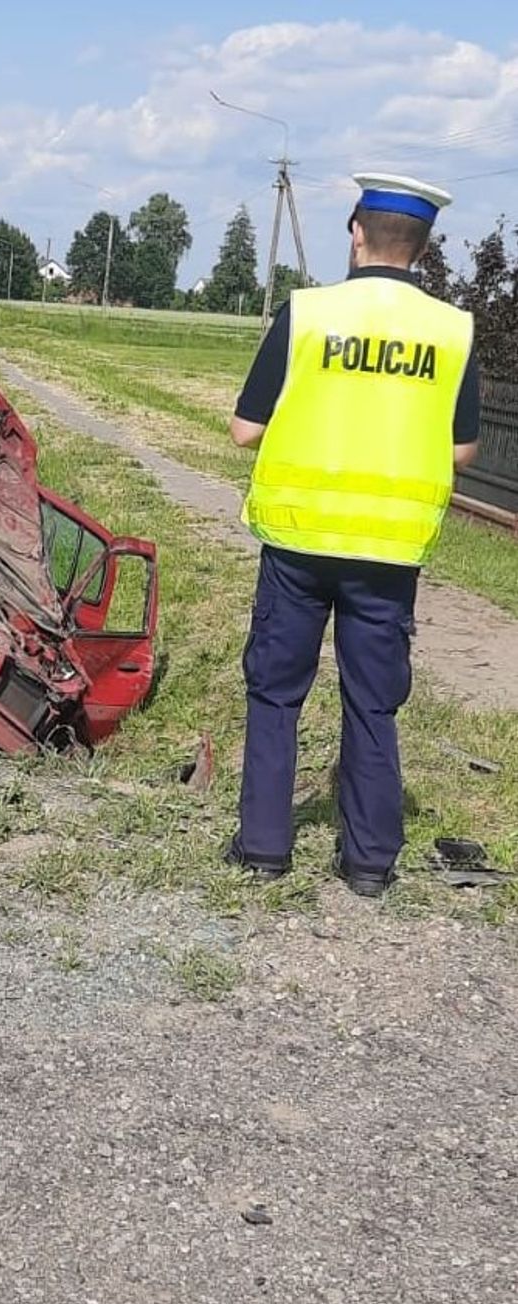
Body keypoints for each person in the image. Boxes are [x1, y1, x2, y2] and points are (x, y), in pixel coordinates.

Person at [225, 173, 479, 897]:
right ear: (423, 248)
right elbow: (462, 450)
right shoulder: (451, 330)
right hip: (389, 554)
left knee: (276, 693)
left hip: (299, 542)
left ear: (355, 233)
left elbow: (245, 430)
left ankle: (265, 848)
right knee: (373, 701)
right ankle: (369, 861)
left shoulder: (306, 314)